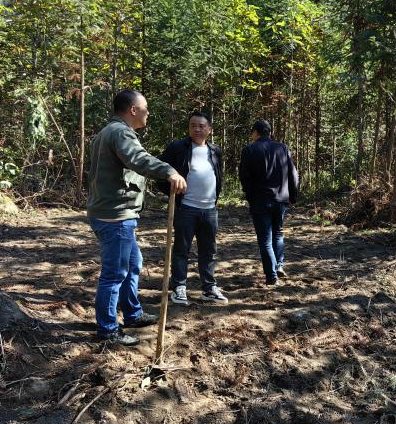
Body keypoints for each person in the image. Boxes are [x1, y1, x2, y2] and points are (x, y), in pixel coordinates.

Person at [86, 89, 187, 346]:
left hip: (113, 212)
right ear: (133, 110)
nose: (148, 113)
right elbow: (138, 159)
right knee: (114, 273)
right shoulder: (120, 133)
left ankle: (132, 313)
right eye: (145, 108)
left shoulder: (108, 132)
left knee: (133, 263)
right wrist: (169, 171)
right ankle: (108, 330)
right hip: (115, 216)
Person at [158, 111, 227, 306]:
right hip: (186, 208)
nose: (197, 129)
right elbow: (160, 170)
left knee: (209, 250)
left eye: (201, 126)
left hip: (210, 209)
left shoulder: (215, 151)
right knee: (181, 250)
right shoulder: (178, 147)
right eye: (193, 125)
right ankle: (179, 287)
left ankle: (209, 288)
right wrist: (171, 190)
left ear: (209, 129)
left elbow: (218, 175)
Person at [238, 119, 299, 286]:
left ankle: (272, 276)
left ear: (256, 132)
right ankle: (279, 265)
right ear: (270, 132)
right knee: (278, 233)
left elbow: (244, 176)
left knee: (265, 239)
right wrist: (293, 195)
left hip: (260, 201)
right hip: (281, 199)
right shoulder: (282, 148)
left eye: (252, 133)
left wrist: (250, 196)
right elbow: (293, 173)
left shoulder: (249, 149)